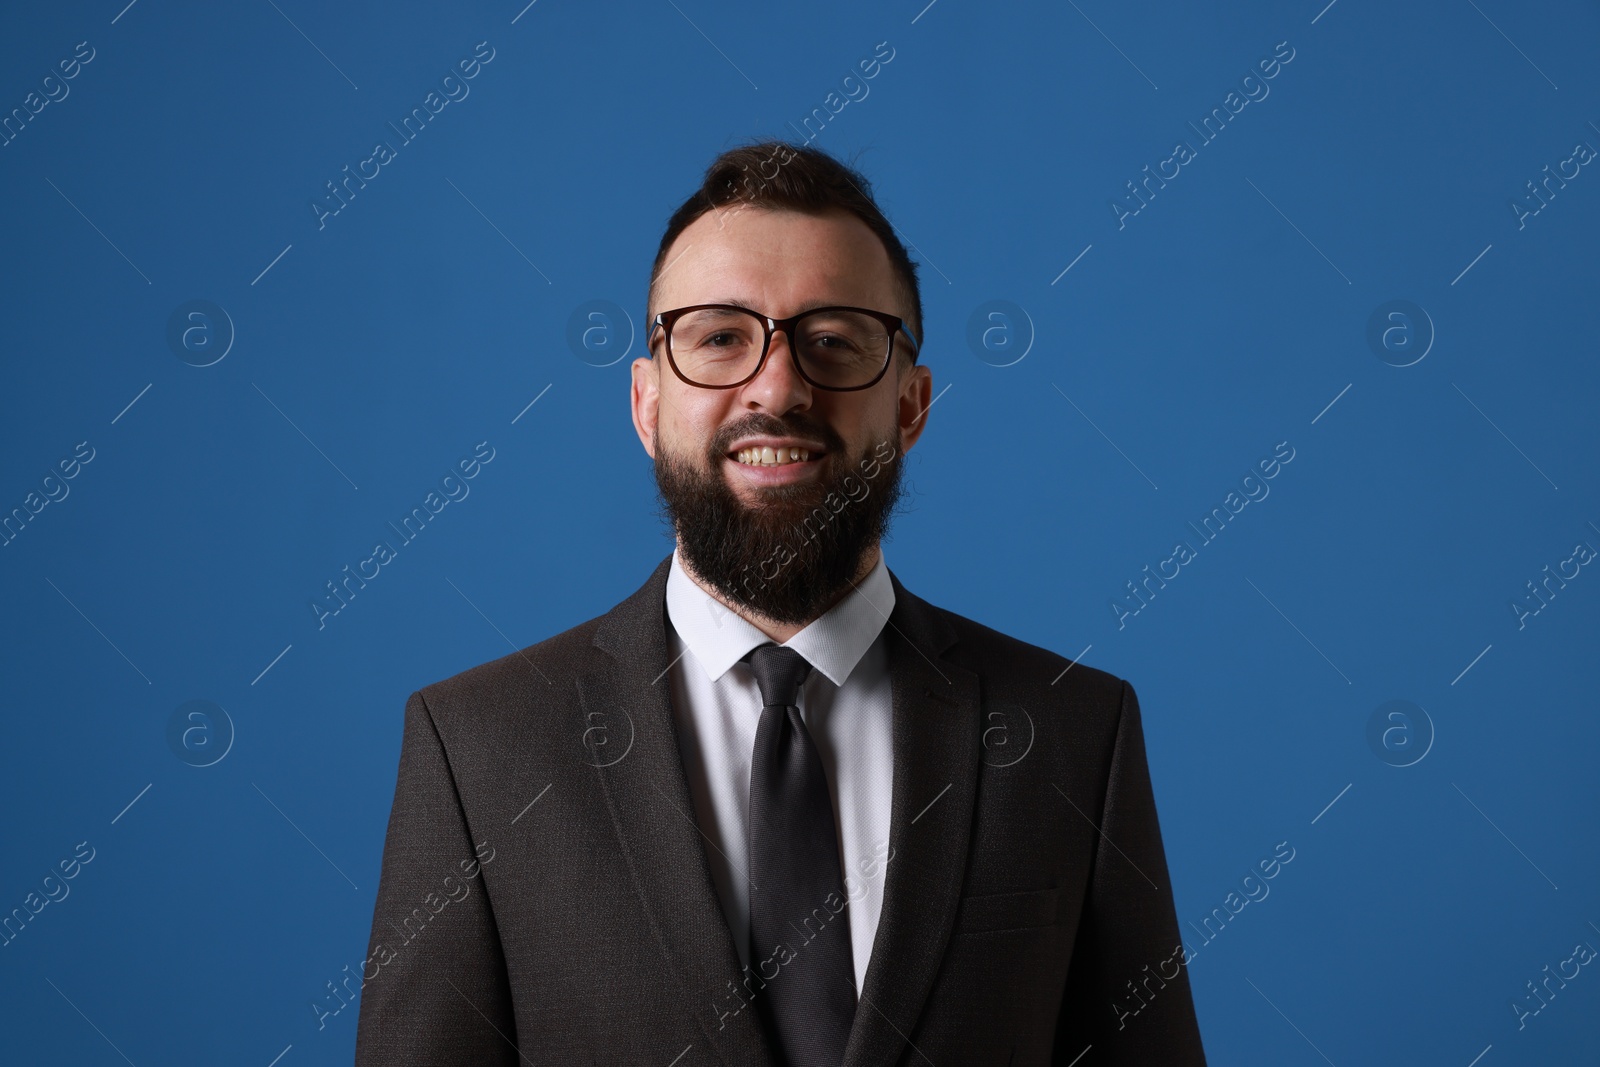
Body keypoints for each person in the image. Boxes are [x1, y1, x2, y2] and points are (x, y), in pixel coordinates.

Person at [354, 141, 1207, 1066]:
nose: (777, 386)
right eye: (720, 336)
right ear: (646, 404)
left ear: (912, 406)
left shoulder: (1076, 732)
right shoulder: (478, 747)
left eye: (834, 340)